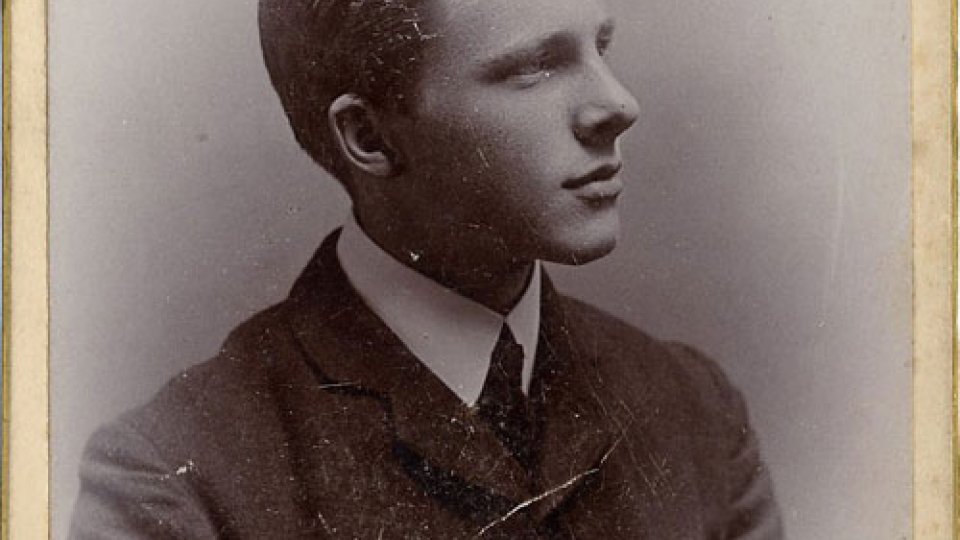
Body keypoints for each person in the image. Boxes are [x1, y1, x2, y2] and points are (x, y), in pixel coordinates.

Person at [70, 0, 782, 537]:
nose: (618, 104)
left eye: (600, 46)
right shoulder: (175, 477)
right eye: (534, 67)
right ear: (369, 135)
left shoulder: (695, 413)